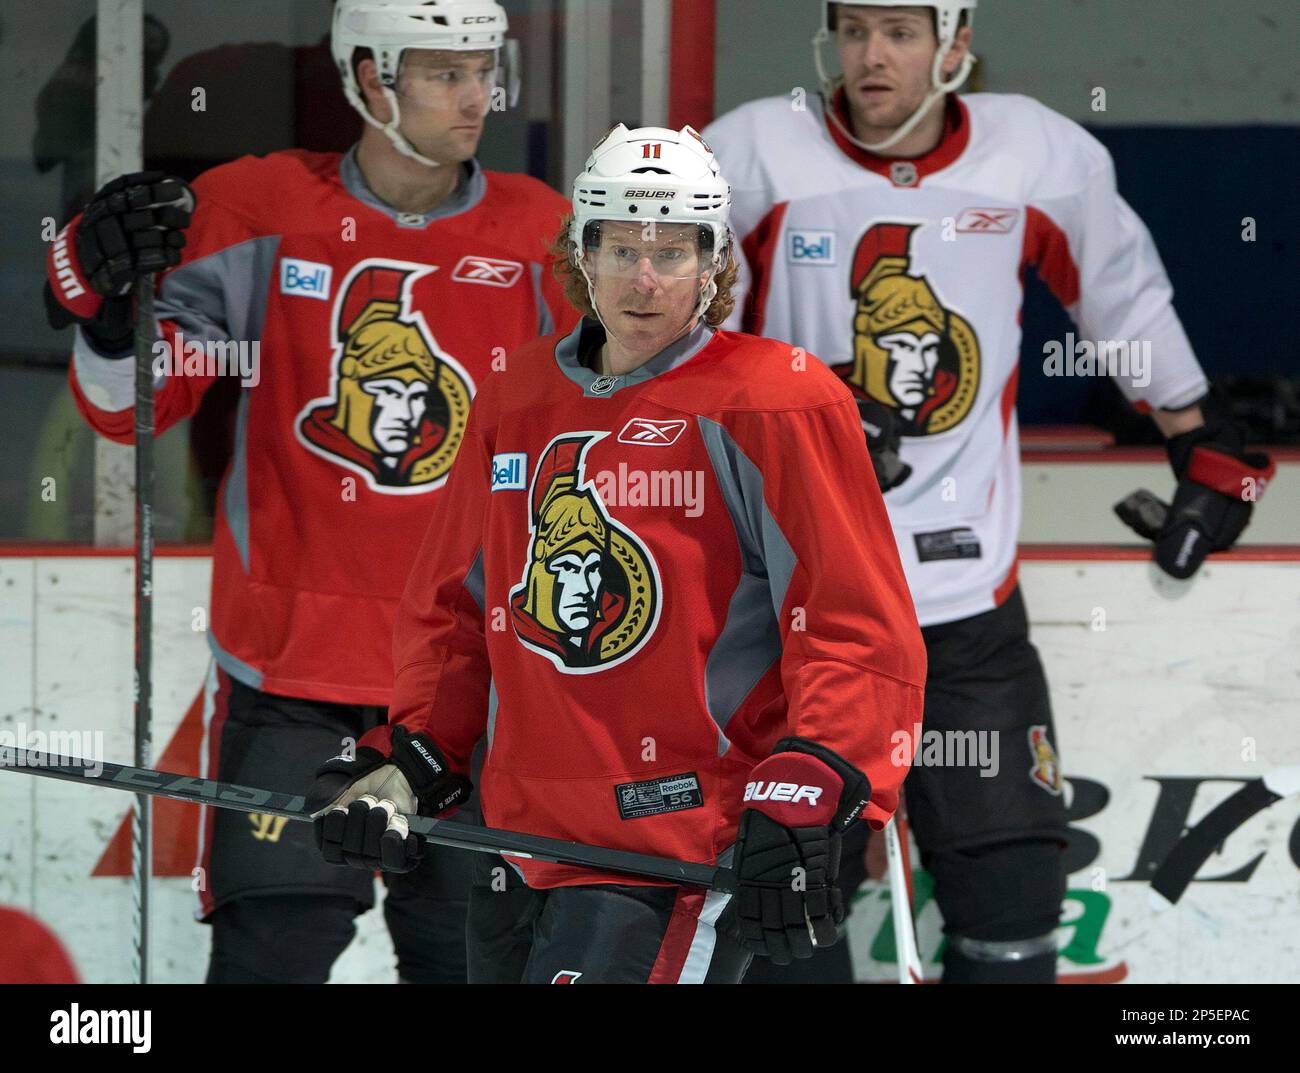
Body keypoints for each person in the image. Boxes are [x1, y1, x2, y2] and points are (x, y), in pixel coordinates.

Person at [703, 0, 1273, 984]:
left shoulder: (1037, 156)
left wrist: (1200, 439)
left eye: (901, 32)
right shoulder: (753, 151)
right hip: (800, 612)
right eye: (855, 30)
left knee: (1011, 895)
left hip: (966, 615)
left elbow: (1121, 295)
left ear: (956, 45)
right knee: (781, 910)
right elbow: (668, 333)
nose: (871, 56)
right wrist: (800, 412)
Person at [304, 123, 928, 983]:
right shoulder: (514, 397)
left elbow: (855, 622)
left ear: (713, 262)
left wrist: (818, 772)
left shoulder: (773, 399)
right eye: (620, 246)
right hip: (518, 841)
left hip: (672, 847)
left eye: (672, 252)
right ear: (579, 252)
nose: (644, 277)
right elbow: (458, 612)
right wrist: (411, 758)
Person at [44, 0, 575, 984]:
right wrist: (107, 316)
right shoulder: (258, 205)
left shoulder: (546, 232)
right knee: (267, 956)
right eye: (441, 72)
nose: (476, 96)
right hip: (290, 680)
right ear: (370, 79)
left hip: (476, 687)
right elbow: (138, 404)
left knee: (473, 962)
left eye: (482, 68)